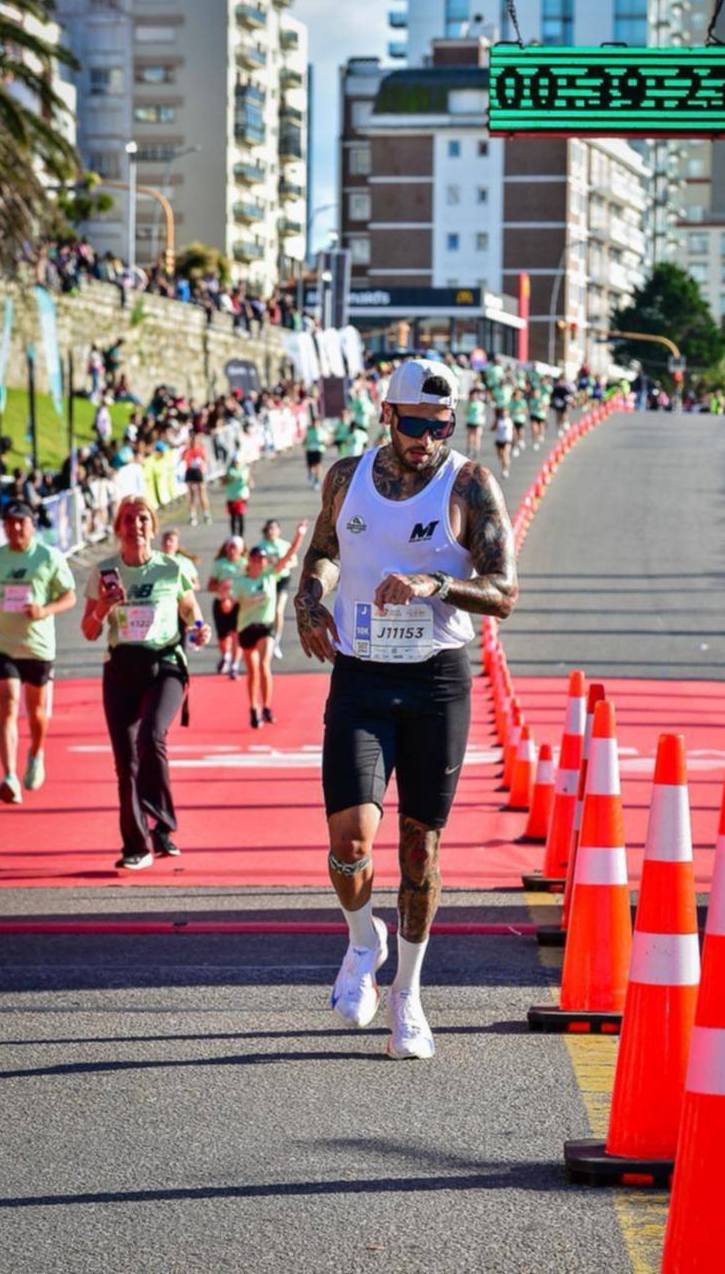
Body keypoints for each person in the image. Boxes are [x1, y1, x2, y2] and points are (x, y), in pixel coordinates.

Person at [294, 358, 517, 1060]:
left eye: (441, 426)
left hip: (435, 682)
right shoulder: (346, 476)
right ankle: (364, 941)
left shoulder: (471, 484)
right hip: (362, 675)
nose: (427, 438)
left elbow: (504, 589)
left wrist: (435, 584)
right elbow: (324, 554)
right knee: (349, 840)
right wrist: (308, 599)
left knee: (420, 850)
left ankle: (409, 996)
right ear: (388, 414)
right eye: (416, 424)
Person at [81, 495, 211, 870]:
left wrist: (199, 628)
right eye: (128, 519)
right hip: (121, 668)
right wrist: (104, 606)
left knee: (151, 734)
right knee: (126, 763)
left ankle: (163, 825)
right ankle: (137, 845)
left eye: (142, 520)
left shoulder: (171, 568)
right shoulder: (104, 571)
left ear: (152, 527)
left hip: (165, 662)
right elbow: (89, 631)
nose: (135, 526)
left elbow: (189, 607)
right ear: (118, 527)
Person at [0, 501, 76, 803]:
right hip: (0, 643)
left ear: (31, 525)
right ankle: (9, 776)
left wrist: (44, 610)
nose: (14, 529)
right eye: (9, 523)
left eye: (20, 523)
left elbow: (69, 596)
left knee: (36, 713)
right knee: (7, 704)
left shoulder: (48, 557)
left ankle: (36, 753)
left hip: (36, 644)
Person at [221, 523, 307, 727]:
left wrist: (299, 535)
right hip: (246, 628)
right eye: (255, 559)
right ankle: (253, 708)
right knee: (252, 671)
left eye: (261, 559)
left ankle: (267, 706)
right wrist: (224, 599)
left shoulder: (270, 575)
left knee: (264, 665)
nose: (259, 562)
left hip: (265, 627)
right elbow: (228, 607)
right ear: (249, 561)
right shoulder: (241, 582)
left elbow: (289, 555)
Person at [255, 519, 296, 659]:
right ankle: (264, 639)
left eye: (275, 528)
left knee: (278, 610)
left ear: (279, 530)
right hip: (267, 581)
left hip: (282, 580)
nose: (272, 531)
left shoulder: (285, 545)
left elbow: (294, 561)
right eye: (270, 529)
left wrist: (286, 565)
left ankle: (276, 642)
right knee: (267, 612)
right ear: (266, 531)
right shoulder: (261, 546)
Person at [207, 535, 247, 677]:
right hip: (221, 603)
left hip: (238, 604)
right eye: (230, 547)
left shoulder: (245, 564)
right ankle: (226, 656)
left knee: (237, 635)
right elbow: (210, 586)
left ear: (241, 550)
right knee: (223, 637)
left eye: (235, 547)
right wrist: (222, 586)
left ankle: (235, 666)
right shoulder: (220, 564)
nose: (232, 550)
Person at [182, 435, 211, 526]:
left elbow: (206, 459)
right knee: (191, 495)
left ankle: (206, 514)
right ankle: (192, 516)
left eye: (195, 441)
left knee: (202, 493)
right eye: (192, 440)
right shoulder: (187, 450)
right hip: (190, 471)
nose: (193, 442)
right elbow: (183, 458)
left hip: (198, 472)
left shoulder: (201, 449)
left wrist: (200, 462)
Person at [223, 454, 253, 537]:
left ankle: (241, 536)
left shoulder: (245, 470)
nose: (237, 464)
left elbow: (250, 483)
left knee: (241, 518)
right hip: (231, 498)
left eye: (238, 462)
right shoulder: (229, 470)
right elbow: (223, 482)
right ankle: (233, 536)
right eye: (235, 462)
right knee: (233, 518)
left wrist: (247, 482)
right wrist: (230, 480)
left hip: (241, 498)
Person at [491, 405, 514, 480]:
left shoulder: (510, 420)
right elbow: (492, 429)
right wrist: (495, 426)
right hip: (499, 440)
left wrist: (514, 440)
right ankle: (504, 464)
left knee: (505, 455)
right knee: (500, 456)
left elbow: (513, 430)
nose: (504, 413)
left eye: (506, 412)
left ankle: (505, 470)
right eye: (503, 412)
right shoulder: (498, 420)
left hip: (507, 440)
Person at [304, 419, 326, 491]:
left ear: (319, 424)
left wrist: (325, 442)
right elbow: (305, 439)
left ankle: (316, 481)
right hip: (310, 449)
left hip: (318, 450)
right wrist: (304, 442)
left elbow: (326, 439)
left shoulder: (322, 430)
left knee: (318, 465)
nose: (316, 425)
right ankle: (310, 471)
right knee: (310, 465)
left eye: (317, 423)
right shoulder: (309, 430)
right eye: (314, 423)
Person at [464, 388, 487, 459]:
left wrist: (484, 420)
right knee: (470, 436)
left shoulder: (481, 404)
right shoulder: (468, 403)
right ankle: (469, 448)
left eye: (475, 395)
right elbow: (465, 412)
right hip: (470, 421)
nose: (474, 396)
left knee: (477, 436)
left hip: (478, 422)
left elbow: (484, 412)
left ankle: (476, 450)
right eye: (472, 395)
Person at [509, 388, 528, 455]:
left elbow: (526, 410)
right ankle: (515, 448)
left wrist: (520, 411)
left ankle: (521, 440)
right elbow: (508, 412)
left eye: (518, 396)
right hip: (512, 420)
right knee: (514, 435)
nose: (517, 397)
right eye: (515, 396)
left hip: (520, 419)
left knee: (520, 431)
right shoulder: (510, 402)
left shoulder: (522, 402)